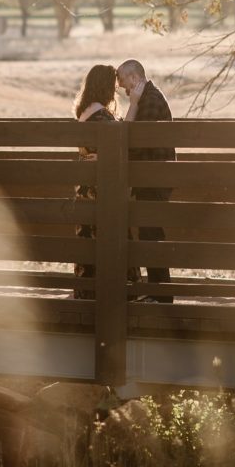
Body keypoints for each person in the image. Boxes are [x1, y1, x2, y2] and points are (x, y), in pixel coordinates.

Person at [116, 58, 174, 303]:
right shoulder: (148, 98)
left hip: (154, 178)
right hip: (152, 178)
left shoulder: (149, 101)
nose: (124, 90)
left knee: (152, 235)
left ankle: (161, 294)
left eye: (123, 84)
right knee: (150, 233)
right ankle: (158, 291)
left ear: (133, 78)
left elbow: (137, 146)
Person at [71, 64, 118, 299]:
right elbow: (119, 145)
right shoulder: (101, 116)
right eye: (112, 85)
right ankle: (112, 291)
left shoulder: (84, 111)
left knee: (88, 237)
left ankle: (86, 288)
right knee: (109, 235)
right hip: (100, 187)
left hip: (84, 185)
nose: (115, 91)